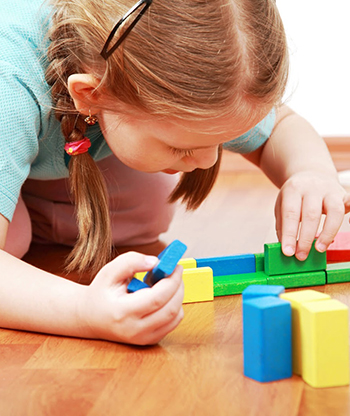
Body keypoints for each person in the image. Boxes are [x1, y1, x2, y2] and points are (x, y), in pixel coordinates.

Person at [0, 0, 348, 346]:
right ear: (90, 95)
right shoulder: (10, 82)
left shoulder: (194, 81)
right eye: (181, 147)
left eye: (222, 141)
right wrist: (84, 310)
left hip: (37, 143)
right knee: (15, 238)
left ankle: (17, 194)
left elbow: (281, 126)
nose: (210, 161)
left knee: (147, 204)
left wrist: (312, 170)